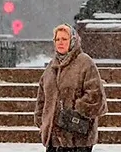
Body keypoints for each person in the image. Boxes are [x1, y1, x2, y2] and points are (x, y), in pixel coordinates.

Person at [34, 23, 107, 152]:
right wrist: (43, 121)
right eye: (57, 39)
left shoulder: (85, 63)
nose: (60, 42)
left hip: (77, 138)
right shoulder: (51, 68)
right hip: (53, 139)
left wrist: (75, 112)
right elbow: (42, 98)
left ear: (73, 41)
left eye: (64, 39)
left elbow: (96, 97)